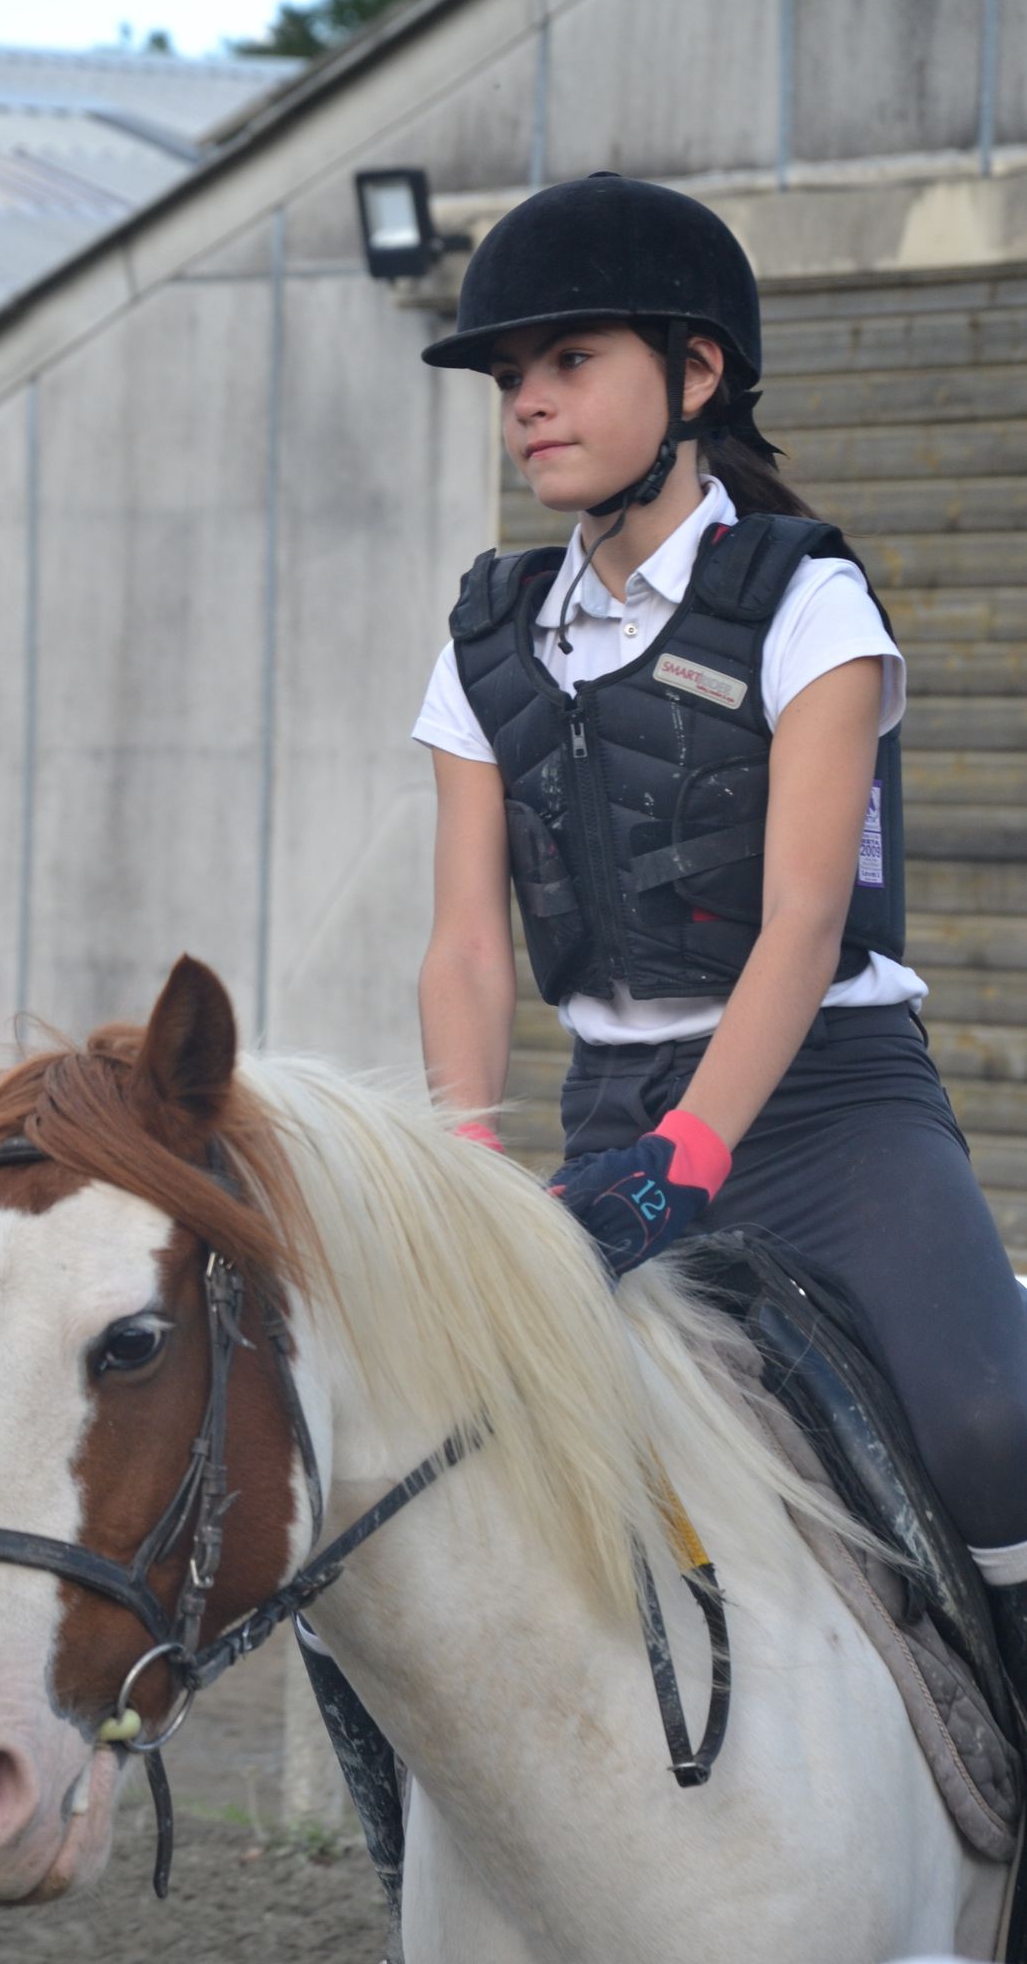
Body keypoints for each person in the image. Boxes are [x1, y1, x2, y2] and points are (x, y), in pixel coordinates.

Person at [411, 173, 1027, 1698]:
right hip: (608, 1112)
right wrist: (469, 1159)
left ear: (692, 374)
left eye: (568, 362)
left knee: (987, 1426)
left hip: (828, 1113)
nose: (526, 403)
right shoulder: (487, 635)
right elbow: (468, 945)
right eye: (509, 376)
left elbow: (804, 921)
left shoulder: (807, 602)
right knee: (439, 1462)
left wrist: (691, 1155)